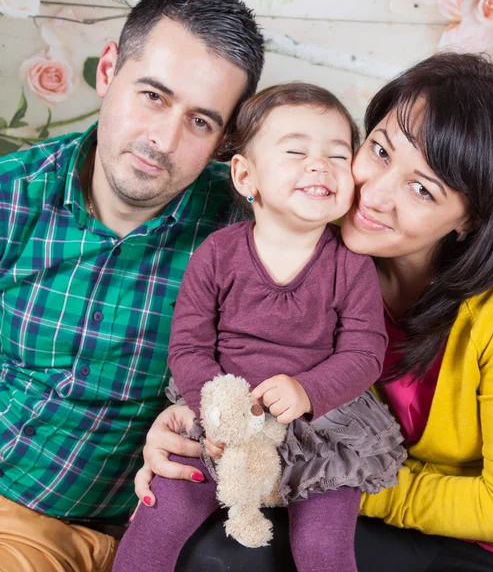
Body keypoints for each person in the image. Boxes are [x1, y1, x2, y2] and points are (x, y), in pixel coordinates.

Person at [136, 52, 493, 572]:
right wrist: (194, 432)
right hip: (361, 499)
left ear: (471, 218)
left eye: (422, 189)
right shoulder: (316, 244)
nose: (375, 196)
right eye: (380, 151)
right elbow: (234, 356)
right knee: (207, 539)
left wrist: (305, 474)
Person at [0, 0, 264, 572]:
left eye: (200, 122)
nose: (162, 140)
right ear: (109, 70)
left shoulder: (245, 233)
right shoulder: (12, 195)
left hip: (145, 529)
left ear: (225, 141)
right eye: (152, 95)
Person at [112, 83, 406, 572]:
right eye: (296, 151)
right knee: (156, 524)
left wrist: (308, 390)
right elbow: (188, 345)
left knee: (322, 550)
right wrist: (216, 411)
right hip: (223, 421)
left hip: (319, 429)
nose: (320, 165)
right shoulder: (218, 254)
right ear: (246, 175)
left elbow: (364, 353)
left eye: (338, 155)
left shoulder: (351, 264)